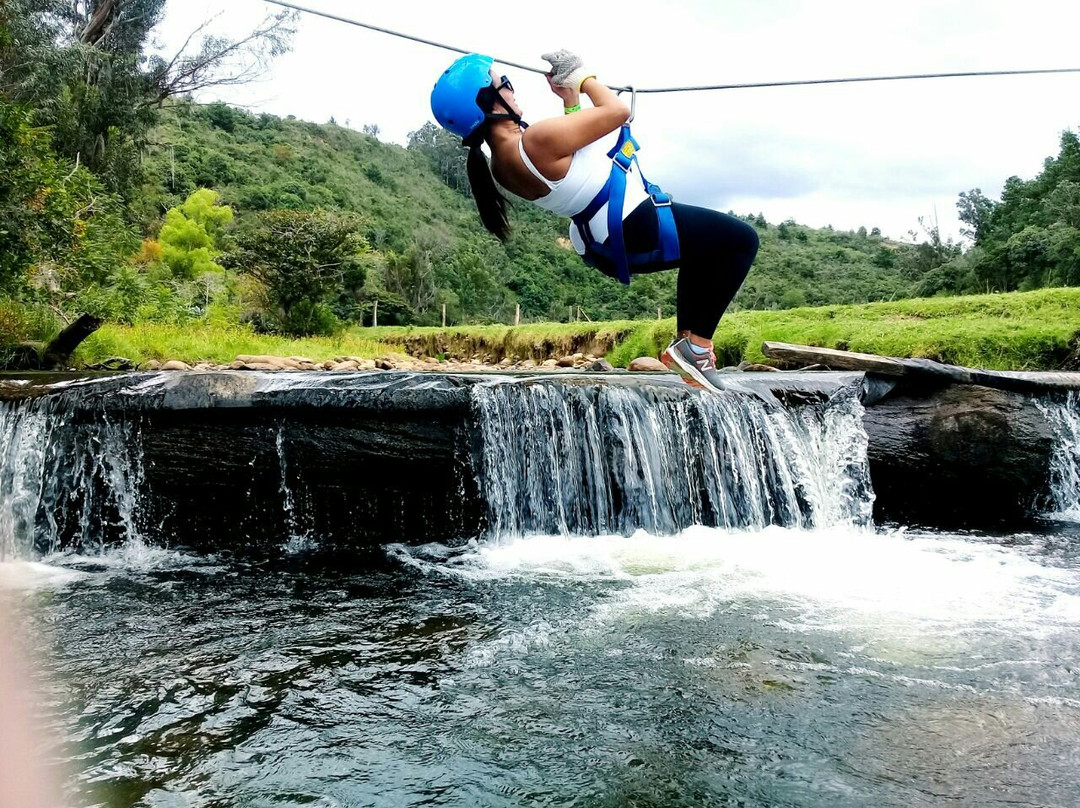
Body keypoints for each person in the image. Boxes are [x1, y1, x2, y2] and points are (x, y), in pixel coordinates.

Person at [430, 50, 759, 391]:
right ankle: (698, 346)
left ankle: (687, 345)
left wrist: (570, 99)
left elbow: (573, 161)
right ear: (489, 102)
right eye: (506, 85)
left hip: (603, 235)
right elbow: (617, 111)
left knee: (704, 250)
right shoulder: (535, 139)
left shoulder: (502, 163)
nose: (513, 90)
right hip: (634, 221)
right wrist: (583, 77)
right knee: (742, 241)